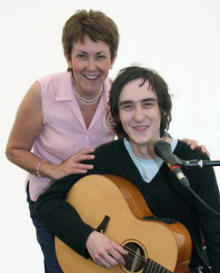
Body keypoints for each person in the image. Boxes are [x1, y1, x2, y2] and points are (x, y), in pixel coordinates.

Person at [6, 9, 209, 273]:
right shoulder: (43, 92)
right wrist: (53, 169)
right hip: (51, 197)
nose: (91, 67)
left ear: (112, 58)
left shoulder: (119, 96)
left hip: (102, 199)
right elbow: (14, 149)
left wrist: (175, 146)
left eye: (100, 56)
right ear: (68, 56)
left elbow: (141, 131)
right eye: (81, 56)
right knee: (62, 266)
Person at [36, 66, 220, 273]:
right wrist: (88, 237)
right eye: (128, 106)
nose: (138, 116)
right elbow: (48, 203)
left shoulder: (193, 160)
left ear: (163, 109)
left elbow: (216, 236)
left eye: (147, 104)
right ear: (117, 114)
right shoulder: (102, 158)